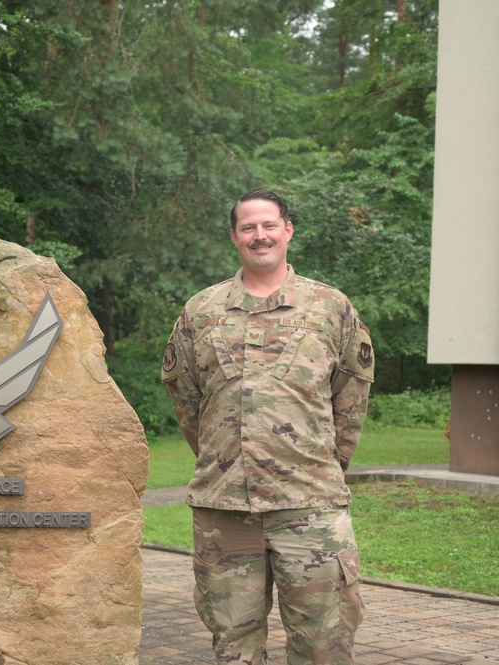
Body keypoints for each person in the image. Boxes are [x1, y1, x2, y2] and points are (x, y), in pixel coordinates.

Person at [160, 189, 374, 664]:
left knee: (325, 645)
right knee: (233, 648)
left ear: (288, 230)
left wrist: (319, 464)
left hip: (310, 506)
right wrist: (226, 458)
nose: (260, 236)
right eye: (249, 227)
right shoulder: (202, 310)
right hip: (226, 510)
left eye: (269, 225)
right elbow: (187, 397)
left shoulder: (329, 307)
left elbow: (350, 401)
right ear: (235, 236)